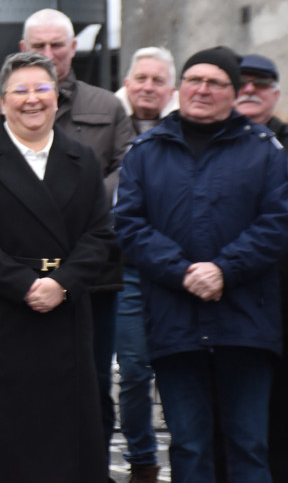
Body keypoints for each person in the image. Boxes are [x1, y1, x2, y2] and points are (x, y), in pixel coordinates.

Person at [114, 47, 288, 483]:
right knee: (190, 447)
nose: (202, 90)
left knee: (249, 445)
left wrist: (225, 270)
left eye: (215, 83)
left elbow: (278, 222)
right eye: (194, 80)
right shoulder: (145, 151)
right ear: (179, 89)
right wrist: (183, 271)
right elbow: (129, 226)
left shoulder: (266, 151)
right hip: (175, 322)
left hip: (246, 323)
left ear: (234, 93)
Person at [0, 51, 113, 482]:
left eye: (41, 89)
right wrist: (26, 285)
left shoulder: (82, 158)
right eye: (20, 90)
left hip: (63, 318)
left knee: (61, 441)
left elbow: (101, 235)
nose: (31, 100)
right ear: (1, 100)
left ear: (57, 98)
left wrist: (62, 284)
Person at [0, 8, 134, 458]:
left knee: (92, 382)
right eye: (39, 46)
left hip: (91, 276)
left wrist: (76, 205)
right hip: (17, 278)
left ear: (73, 48)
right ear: (23, 49)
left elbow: (127, 173)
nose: (49, 53)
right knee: (18, 386)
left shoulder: (108, 106)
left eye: (57, 45)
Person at [113, 46, 178, 483]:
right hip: (125, 265)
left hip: (174, 266)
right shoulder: (109, 122)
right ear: (127, 83)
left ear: (170, 88)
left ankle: (186, 449)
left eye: (158, 80)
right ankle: (143, 459)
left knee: (176, 366)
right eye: (142, 79)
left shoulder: (184, 126)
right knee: (134, 368)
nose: (148, 87)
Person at [237, 53, 288, 482]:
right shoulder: (208, 144)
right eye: (242, 82)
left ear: (276, 92)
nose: (250, 90)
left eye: (260, 83)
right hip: (232, 302)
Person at [236, 54, 288, 145]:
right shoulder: (206, 138)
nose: (249, 90)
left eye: (261, 83)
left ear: (276, 95)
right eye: (240, 82)